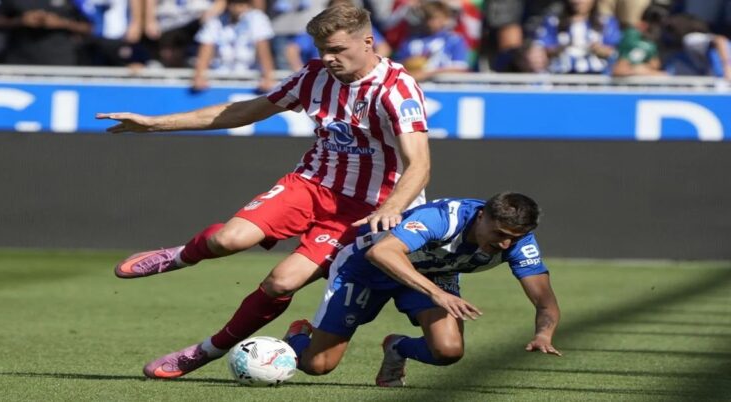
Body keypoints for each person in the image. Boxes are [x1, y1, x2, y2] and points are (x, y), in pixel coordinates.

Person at [96, 2, 430, 380]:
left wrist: (393, 208)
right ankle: (180, 255)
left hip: (363, 210)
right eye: (322, 50)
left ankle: (206, 350)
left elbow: (419, 163)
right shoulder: (314, 75)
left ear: (368, 42)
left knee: (281, 282)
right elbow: (248, 110)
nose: (328, 58)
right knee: (228, 240)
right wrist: (156, 124)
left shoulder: (396, 88)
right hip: (312, 184)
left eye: (337, 50)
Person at [282, 192, 561, 387]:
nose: (505, 245)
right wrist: (437, 294)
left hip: (433, 275)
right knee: (318, 366)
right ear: (480, 216)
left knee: (448, 350)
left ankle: (397, 347)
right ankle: (296, 337)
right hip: (366, 269)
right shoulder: (442, 218)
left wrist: (543, 334)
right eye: (500, 234)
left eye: (514, 238)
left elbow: (544, 300)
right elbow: (382, 253)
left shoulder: (520, 243)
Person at [191, 0, 276, 92]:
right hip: (219, 76)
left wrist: (268, 77)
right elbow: (206, 48)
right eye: (233, 4)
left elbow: (263, 49)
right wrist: (199, 76)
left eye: (242, 4)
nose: (238, 8)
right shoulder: (215, 20)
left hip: (249, 77)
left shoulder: (257, 18)